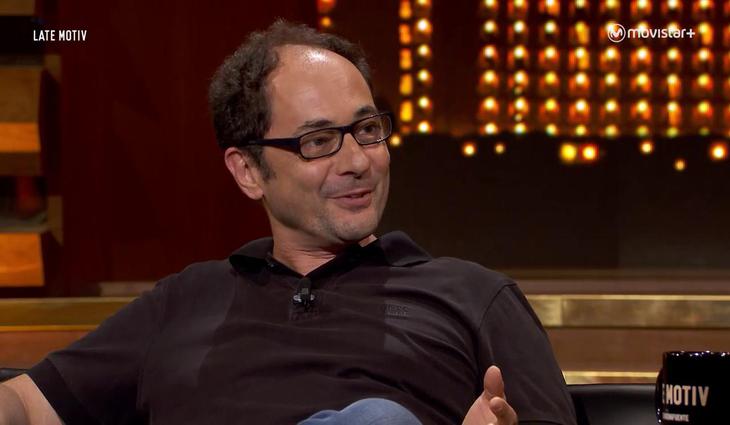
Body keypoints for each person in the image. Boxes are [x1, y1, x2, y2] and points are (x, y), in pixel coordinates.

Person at [0, 21, 576, 425]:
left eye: (367, 130)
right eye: (318, 141)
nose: (357, 161)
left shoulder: (473, 296)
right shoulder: (185, 301)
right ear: (248, 171)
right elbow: (25, 404)